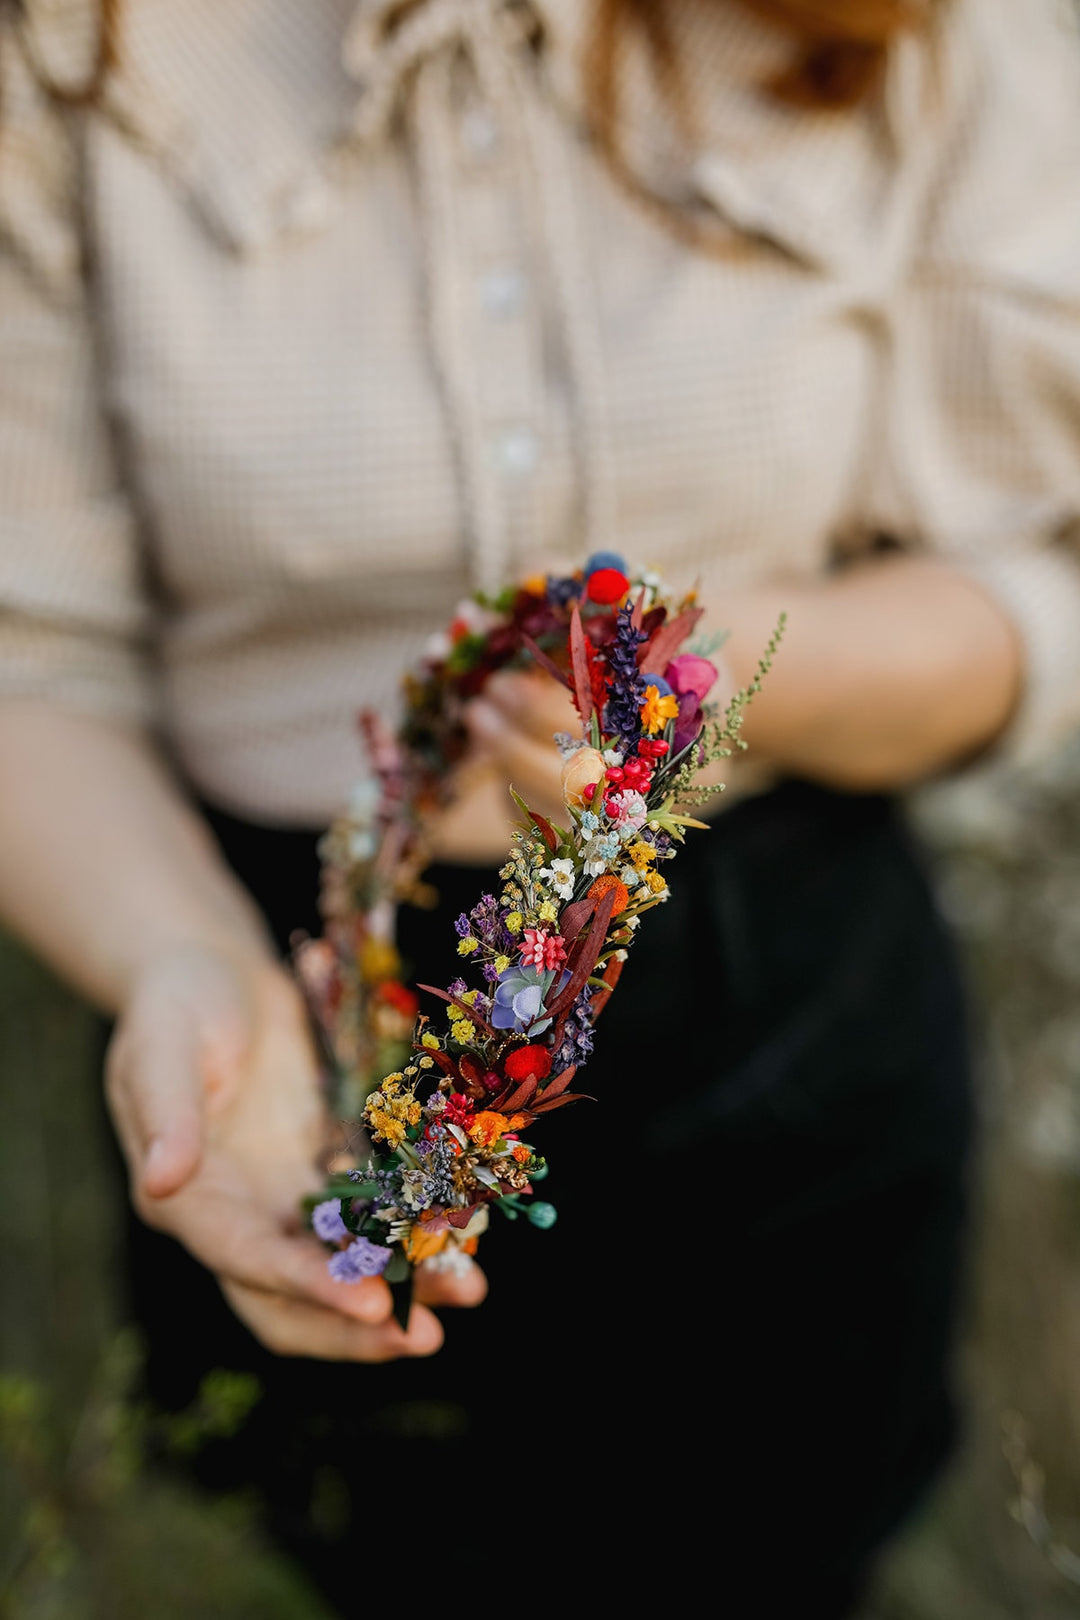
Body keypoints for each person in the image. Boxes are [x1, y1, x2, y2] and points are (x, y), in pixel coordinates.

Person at [1, 0, 1079, 1612]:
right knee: (369, 1553)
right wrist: (185, 969)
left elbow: (1028, 580)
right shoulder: (75, 48)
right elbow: (33, 663)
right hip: (285, 1004)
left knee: (793, 1549)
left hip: (787, 990)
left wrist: (724, 679)